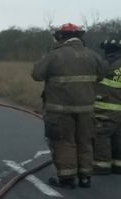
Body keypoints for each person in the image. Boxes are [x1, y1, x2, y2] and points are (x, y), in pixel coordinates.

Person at [31, 23, 106, 189]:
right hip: (87, 110)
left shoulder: (54, 55)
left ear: (60, 37)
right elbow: (101, 76)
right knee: (85, 141)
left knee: (64, 142)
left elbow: (36, 75)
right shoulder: (93, 55)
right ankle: (85, 177)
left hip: (60, 110)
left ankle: (67, 178)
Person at [94, 35, 121, 175]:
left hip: (106, 108)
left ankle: (101, 165)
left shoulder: (105, 64)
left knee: (101, 134)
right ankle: (118, 165)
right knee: (118, 135)